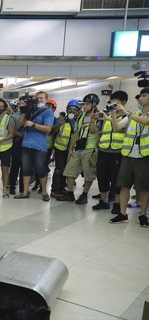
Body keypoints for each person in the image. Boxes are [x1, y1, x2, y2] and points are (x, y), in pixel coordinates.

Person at [109, 87, 149, 227]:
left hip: (144, 156)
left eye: (144, 95)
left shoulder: (133, 114)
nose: (140, 98)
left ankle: (143, 215)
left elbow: (145, 122)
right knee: (124, 185)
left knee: (143, 188)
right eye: (139, 96)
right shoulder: (133, 115)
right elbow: (116, 127)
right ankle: (122, 213)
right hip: (128, 155)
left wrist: (126, 111)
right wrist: (113, 114)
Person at [57, 93, 102, 204]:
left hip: (90, 149)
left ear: (93, 105)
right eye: (83, 104)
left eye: (87, 104)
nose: (84, 106)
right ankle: (70, 193)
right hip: (78, 149)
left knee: (88, 174)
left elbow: (93, 131)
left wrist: (92, 119)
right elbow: (76, 133)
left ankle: (84, 194)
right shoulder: (81, 116)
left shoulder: (100, 116)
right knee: (69, 171)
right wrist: (71, 149)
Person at [14, 91, 54, 201]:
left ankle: (44, 192)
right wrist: (23, 112)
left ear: (46, 99)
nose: (39, 100)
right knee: (26, 169)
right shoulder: (31, 111)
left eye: (42, 98)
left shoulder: (47, 112)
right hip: (26, 144)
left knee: (40, 169)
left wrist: (34, 125)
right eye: (37, 98)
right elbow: (19, 124)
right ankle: (25, 192)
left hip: (39, 146)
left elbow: (48, 129)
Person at [92, 91, 128, 212]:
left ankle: (117, 204)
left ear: (123, 103)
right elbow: (94, 131)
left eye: (116, 101)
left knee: (117, 180)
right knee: (102, 177)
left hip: (118, 153)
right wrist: (93, 119)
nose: (113, 103)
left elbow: (116, 128)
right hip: (103, 151)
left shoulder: (127, 117)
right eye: (112, 100)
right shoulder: (104, 117)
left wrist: (112, 115)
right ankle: (104, 201)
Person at [51, 99, 80, 198]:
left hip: (71, 150)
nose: (72, 111)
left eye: (74, 110)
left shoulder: (77, 122)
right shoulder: (61, 120)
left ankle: (62, 188)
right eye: (70, 109)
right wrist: (59, 124)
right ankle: (55, 190)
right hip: (60, 148)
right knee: (59, 169)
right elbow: (52, 131)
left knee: (66, 170)